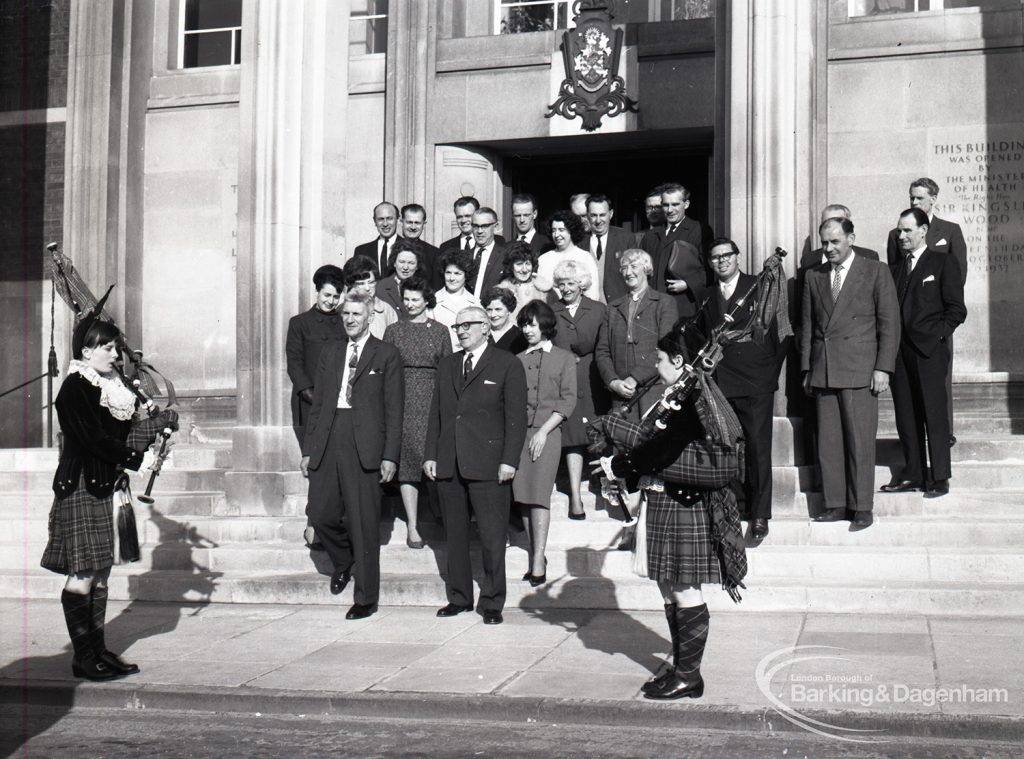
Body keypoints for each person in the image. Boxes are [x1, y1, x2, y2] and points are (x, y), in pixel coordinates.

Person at [592, 319, 746, 700]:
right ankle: (681, 668)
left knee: (684, 588)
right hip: (663, 501)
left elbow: (662, 450)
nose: (654, 364)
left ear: (678, 361)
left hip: (682, 504)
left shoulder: (692, 397)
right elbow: (655, 444)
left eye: (660, 358)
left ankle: (689, 676)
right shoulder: (676, 393)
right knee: (668, 587)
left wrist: (621, 463)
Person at [42, 307, 178, 680]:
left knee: (101, 574)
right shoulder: (75, 388)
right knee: (83, 573)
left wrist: (161, 424)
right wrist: (139, 459)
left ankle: (97, 650)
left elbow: (123, 433)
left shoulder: (112, 388)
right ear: (87, 351)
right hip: (82, 487)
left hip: (106, 486)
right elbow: (94, 440)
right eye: (108, 348)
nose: (116, 356)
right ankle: (84, 657)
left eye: (116, 349)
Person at [300, 291, 404, 620]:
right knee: (320, 512)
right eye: (346, 314)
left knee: (363, 522)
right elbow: (317, 407)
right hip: (329, 439)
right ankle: (345, 562)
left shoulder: (386, 354)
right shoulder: (330, 352)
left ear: (370, 317)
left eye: (356, 314)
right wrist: (309, 450)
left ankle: (365, 597)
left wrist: (390, 456)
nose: (349, 319)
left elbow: (394, 410)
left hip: (366, 445)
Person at [424, 306, 528, 626]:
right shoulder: (448, 365)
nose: (461, 331)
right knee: (454, 535)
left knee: (492, 536)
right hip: (450, 461)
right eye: (457, 327)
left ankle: (493, 601)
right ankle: (459, 598)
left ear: (485, 327)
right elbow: (437, 414)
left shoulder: (507, 363)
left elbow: (516, 419)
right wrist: (431, 454)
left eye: (467, 325)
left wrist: (509, 460)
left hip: (489, 463)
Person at [802, 217, 900, 530]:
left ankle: (862, 506)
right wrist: (807, 368)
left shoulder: (875, 270)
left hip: (860, 368)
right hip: (825, 368)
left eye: (835, 242)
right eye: (824, 242)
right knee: (829, 443)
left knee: (859, 441)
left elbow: (889, 323)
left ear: (851, 238)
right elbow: (808, 327)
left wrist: (883, 367)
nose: (829, 248)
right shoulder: (813, 276)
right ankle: (836, 503)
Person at [883, 208, 966, 498]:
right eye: (899, 231)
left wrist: (937, 335)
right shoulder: (893, 269)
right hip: (899, 354)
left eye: (907, 230)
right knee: (906, 416)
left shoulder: (943, 262)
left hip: (929, 351)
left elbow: (957, 309)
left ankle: (940, 475)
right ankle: (914, 472)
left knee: (934, 414)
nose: (901, 236)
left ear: (923, 231)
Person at [702, 239, 781, 541]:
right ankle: (737, 506)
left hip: (755, 379)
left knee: (758, 448)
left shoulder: (758, 285)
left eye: (727, 256)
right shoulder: (707, 296)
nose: (722, 261)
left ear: (737, 257)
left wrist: (769, 371)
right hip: (721, 380)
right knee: (726, 448)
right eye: (715, 257)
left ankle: (760, 514)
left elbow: (777, 331)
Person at [383, 277, 452, 549]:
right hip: (402, 398)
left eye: (415, 299)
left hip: (433, 398)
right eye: (407, 299)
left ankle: (442, 517)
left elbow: (447, 370)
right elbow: (387, 369)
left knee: (434, 458)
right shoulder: (393, 330)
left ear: (427, 301)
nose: (410, 304)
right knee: (408, 463)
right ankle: (412, 525)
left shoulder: (441, 330)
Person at [513, 300, 576, 586]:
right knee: (523, 496)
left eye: (533, 324)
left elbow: (567, 400)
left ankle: (538, 559)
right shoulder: (518, 359)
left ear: (545, 326)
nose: (528, 330)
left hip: (547, 434)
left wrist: (542, 432)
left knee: (538, 494)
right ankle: (535, 553)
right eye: (525, 324)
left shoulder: (563, 358)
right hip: (519, 435)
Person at [286, 263, 346, 549]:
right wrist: (315, 397)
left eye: (336, 296)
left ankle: (331, 523)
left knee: (338, 465)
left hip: (342, 406)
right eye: (327, 295)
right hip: (310, 406)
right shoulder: (299, 323)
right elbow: (295, 364)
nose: (331, 302)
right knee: (316, 465)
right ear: (317, 291)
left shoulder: (344, 321)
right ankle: (314, 525)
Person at [550, 260, 607, 519]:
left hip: (593, 378)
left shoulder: (598, 310)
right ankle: (575, 497)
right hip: (566, 380)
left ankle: (604, 490)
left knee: (598, 433)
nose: (566, 288)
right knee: (572, 438)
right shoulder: (552, 311)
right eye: (561, 284)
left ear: (582, 284)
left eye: (571, 283)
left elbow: (605, 345)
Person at [595, 249, 678, 423]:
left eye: (634, 266)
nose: (628, 272)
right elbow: (602, 351)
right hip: (621, 393)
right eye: (624, 267)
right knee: (624, 447)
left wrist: (635, 378)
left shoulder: (664, 303)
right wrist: (613, 382)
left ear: (646, 269)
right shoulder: (612, 308)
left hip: (654, 389)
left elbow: (666, 347)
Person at [642, 182, 711, 318]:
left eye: (675, 204)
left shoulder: (699, 230)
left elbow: (710, 269)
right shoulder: (651, 235)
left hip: (683, 304)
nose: (670, 210)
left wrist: (688, 283)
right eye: (666, 205)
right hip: (653, 306)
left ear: (686, 204)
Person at [536, 210, 601, 302]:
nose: (557, 235)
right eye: (554, 230)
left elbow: (593, 295)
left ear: (571, 231)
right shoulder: (544, 259)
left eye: (561, 230)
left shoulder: (585, 257)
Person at [585, 193, 635, 303]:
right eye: (593, 215)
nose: (598, 220)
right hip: (587, 308)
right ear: (587, 215)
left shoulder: (626, 238)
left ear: (611, 214)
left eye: (602, 215)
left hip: (618, 306)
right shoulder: (579, 241)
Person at [433, 248, 480, 350]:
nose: (452, 278)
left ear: (466, 276)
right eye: (448, 272)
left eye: (457, 273)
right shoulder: (432, 302)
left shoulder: (476, 304)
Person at [343, 255, 399, 340]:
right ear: (351, 285)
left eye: (371, 282)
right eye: (361, 283)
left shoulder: (387, 310)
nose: (367, 288)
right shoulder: (342, 310)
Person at [496, 240, 550, 317]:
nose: (524, 269)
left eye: (528, 264)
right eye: (519, 264)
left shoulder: (544, 290)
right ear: (511, 267)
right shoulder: (502, 291)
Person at [439, 196, 506, 256]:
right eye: (459, 217)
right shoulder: (445, 248)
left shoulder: (498, 241)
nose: (463, 220)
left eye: (468, 216)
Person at [376, 239, 424, 317]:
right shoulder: (381, 287)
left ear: (417, 266)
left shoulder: (424, 288)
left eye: (411, 263)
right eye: (402, 262)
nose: (405, 267)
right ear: (394, 263)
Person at [465, 206, 506, 299]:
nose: (479, 231)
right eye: (475, 226)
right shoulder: (464, 256)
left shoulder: (505, 257)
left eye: (484, 226)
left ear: (495, 227)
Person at [353, 201, 400, 278]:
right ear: (375, 221)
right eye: (381, 219)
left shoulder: (410, 247)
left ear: (397, 219)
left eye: (389, 218)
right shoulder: (361, 251)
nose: (385, 224)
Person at [400, 203, 441, 288]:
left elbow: (436, 287)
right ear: (402, 222)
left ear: (423, 224)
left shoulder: (433, 253)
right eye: (409, 222)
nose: (413, 227)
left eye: (417, 223)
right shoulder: (392, 249)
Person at [483, 286, 528, 354]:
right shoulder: (480, 334)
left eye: (498, 309)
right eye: (489, 310)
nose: (493, 315)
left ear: (509, 310)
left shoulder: (520, 337)